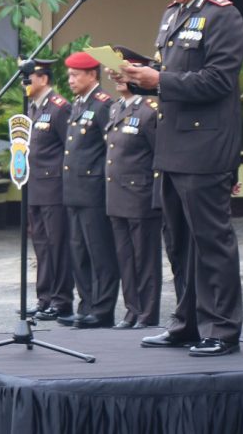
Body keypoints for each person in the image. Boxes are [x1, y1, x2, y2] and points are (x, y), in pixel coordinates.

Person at [120, 0, 243, 358]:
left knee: (211, 241)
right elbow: (168, 76)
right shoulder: (174, 14)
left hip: (205, 148)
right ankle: (188, 322)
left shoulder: (223, 15)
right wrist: (138, 80)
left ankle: (223, 328)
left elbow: (217, 81)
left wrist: (160, 79)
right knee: (178, 242)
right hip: (172, 146)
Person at [56, 51, 118, 328]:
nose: (70, 80)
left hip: (94, 190)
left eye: (75, 75)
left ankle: (103, 310)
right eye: (69, 75)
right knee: (78, 250)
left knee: (100, 251)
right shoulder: (79, 104)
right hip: (74, 190)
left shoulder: (103, 105)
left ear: (92, 75)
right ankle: (87, 304)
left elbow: (112, 148)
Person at [104, 55, 162, 330]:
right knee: (125, 257)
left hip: (141, 196)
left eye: (122, 72)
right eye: (114, 73)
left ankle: (148, 313)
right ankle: (131, 310)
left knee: (145, 258)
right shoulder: (116, 109)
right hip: (116, 195)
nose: (116, 78)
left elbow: (158, 157)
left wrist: (157, 197)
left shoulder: (150, 110)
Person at [25, 59, 74, 321]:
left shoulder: (59, 108)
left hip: (54, 187)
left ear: (43, 79)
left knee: (57, 245)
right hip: (34, 186)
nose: (25, 84)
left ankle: (61, 300)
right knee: (41, 246)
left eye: (29, 78)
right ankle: (44, 298)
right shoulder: (32, 108)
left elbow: (70, 149)